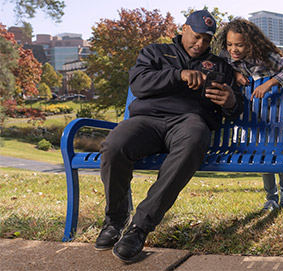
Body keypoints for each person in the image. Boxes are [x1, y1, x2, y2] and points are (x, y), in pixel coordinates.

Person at [95, 10, 245, 263]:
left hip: (189, 122)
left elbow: (235, 108)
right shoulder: (154, 52)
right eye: (196, 37)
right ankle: (115, 220)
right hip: (147, 121)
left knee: (194, 140)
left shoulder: (220, 66)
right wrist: (178, 75)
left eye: (206, 40)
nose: (200, 45)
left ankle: (139, 228)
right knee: (114, 145)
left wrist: (231, 102)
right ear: (183, 28)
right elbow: (138, 84)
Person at [216, 18, 283, 212]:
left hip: (277, 111)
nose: (234, 49)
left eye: (239, 45)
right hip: (255, 114)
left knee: (280, 152)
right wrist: (235, 75)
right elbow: (221, 67)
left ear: (251, 43)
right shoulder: (228, 58)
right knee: (262, 153)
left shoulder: (266, 56)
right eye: (230, 44)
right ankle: (271, 197)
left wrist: (270, 82)